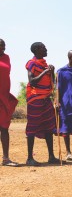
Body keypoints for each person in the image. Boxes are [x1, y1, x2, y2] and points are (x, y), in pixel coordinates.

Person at [25, 42, 60, 166]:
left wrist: (52, 71)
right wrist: (45, 72)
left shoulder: (45, 64)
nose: (46, 49)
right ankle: (29, 158)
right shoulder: (32, 63)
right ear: (37, 50)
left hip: (46, 99)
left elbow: (53, 84)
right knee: (32, 127)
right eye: (44, 48)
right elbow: (32, 81)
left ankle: (51, 156)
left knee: (49, 127)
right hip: (35, 99)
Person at [0, 39, 18, 167]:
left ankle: (6, 158)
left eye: (3, 46)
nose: (2, 48)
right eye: (0, 46)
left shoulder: (7, 58)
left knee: (4, 128)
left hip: (4, 96)